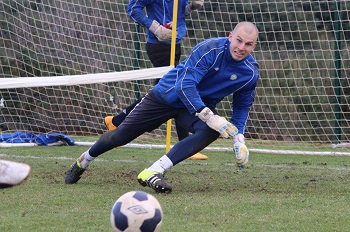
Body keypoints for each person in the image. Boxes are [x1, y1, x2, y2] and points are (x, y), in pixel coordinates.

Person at [65, 21, 259, 194]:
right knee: (120, 137)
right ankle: (84, 161)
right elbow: (185, 85)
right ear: (230, 36)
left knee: (210, 131)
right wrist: (209, 115)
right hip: (166, 96)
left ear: (254, 46)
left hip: (193, 107)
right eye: (239, 40)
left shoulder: (250, 73)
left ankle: (154, 171)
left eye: (248, 44)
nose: (241, 47)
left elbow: (242, 106)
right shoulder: (209, 49)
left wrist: (239, 139)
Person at [104, 0, 208, 160]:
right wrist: (154, 27)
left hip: (176, 42)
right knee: (172, 92)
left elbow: (180, 12)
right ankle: (186, 145)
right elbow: (132, 8)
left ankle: (117, 121)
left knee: (169, 92)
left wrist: (191, 6)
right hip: (159, 46)